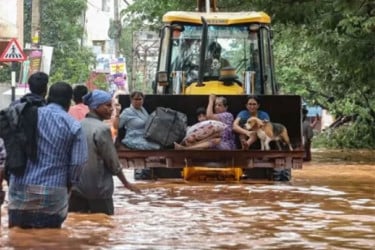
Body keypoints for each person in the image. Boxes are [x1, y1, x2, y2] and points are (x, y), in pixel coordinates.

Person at [7, 82, 88, 229]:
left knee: (17, 237)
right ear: (69, 101)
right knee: (50, 239)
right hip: (53, 192)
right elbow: (78, 163)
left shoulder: (28, 115)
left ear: (48, 97)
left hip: (19, 188)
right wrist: (69, 185)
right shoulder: (73, 125)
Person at [68, 90, 140, 216]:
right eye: (107, 105)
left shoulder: (77, 125)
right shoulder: (102, 129)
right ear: (96, 106)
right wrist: (126, 183)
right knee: (104, 226)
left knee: (77, 226)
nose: (111, 109)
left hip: (76, 190)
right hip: (99, 190)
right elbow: (113, 162)